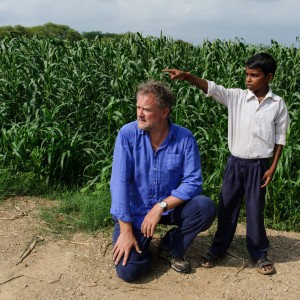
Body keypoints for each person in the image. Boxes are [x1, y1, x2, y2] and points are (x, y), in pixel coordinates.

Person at [163, 52, 290, 275]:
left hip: (259, 166)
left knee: (255, 211)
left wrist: (272, 167)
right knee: (227, 209)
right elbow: (212, 88)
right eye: (247, 74)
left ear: (269, 77)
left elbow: (280, 139)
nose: (248, 79)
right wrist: (187, 76)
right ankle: (217, 249)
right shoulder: (237, 97)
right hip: (235, 164)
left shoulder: (277, 104)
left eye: (254, 75)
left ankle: (259, 254)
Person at [110, 80, 216, 282]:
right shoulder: (127, 135)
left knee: (205, 207)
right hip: (136, 211)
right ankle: (143, 246)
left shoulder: (185, 138)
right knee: (129, 272)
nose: (139, 114)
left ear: (164, 112)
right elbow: (119, 183)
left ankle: (170, 246)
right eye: (138, 107)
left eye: (146, 109)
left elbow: (193, 182)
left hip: (168, 208)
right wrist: (125, 230)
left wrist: (160, 206)